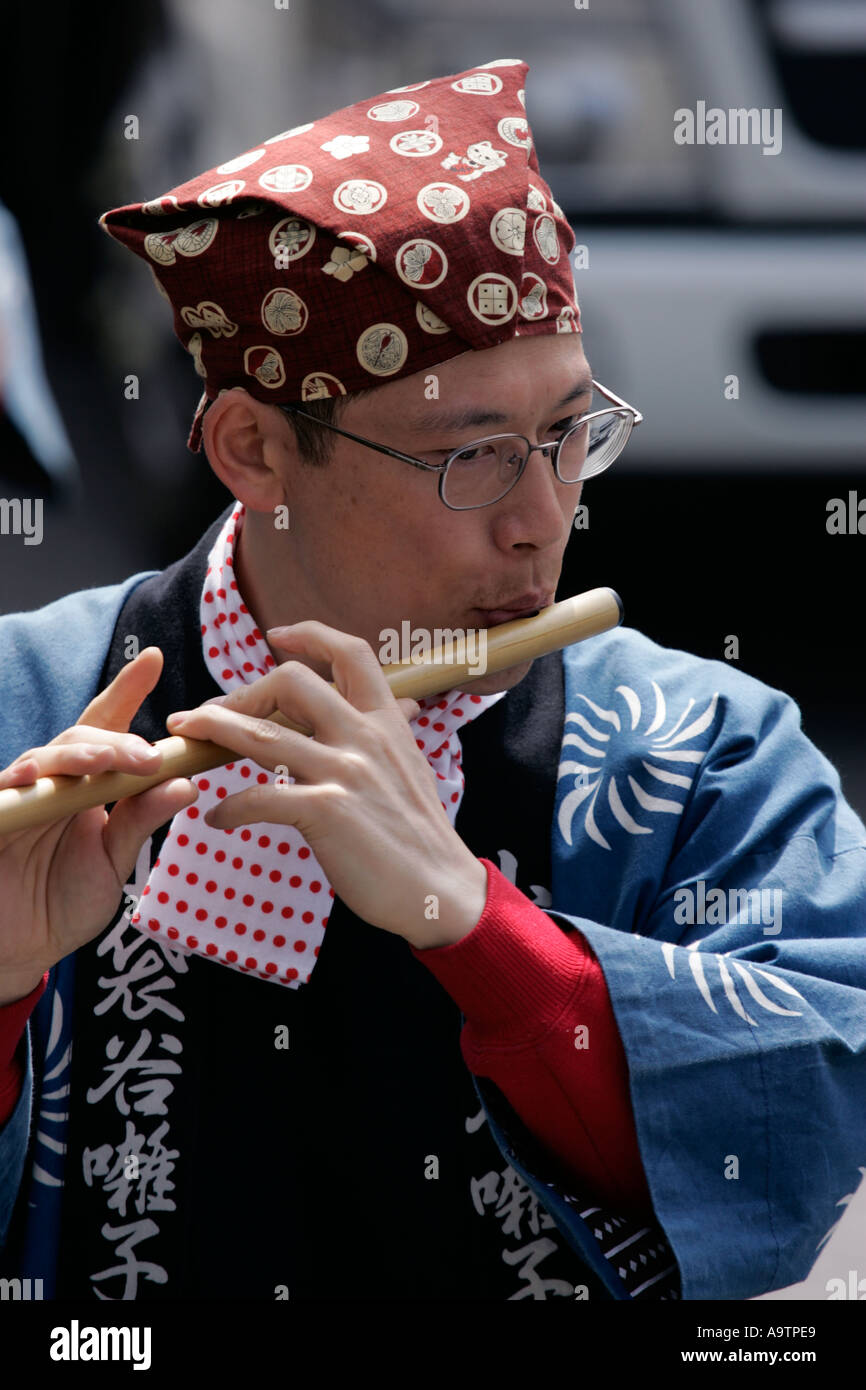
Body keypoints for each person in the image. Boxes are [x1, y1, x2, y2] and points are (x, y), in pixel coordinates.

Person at [0, 57, 864, 1304]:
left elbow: (807, 1133)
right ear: (254, 448)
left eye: (571, 434)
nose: (539, 518)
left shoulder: (706, 754)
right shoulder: (30, 708)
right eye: (471, 457)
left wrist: (477, 926)